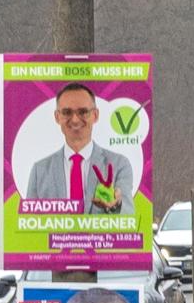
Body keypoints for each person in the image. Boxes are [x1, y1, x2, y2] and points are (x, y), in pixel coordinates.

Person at [26, 84, 134, 213]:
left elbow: (128, 215)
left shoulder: (119, 164)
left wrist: (116, 206)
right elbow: (29, 225)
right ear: (57, 117)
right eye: (67, 112)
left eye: (83, 112)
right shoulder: (39, 171)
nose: (75, 120)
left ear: (95, 115)